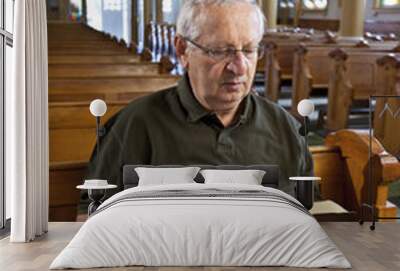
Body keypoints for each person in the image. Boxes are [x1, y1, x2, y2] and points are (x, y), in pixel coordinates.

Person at [87, 0, 313, 196]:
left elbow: (310, 213)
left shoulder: (288, 129)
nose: (239, 67)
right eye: (220, 51)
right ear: (183, 50)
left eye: (249, 49)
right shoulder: (133, 126)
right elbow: (93, 220)